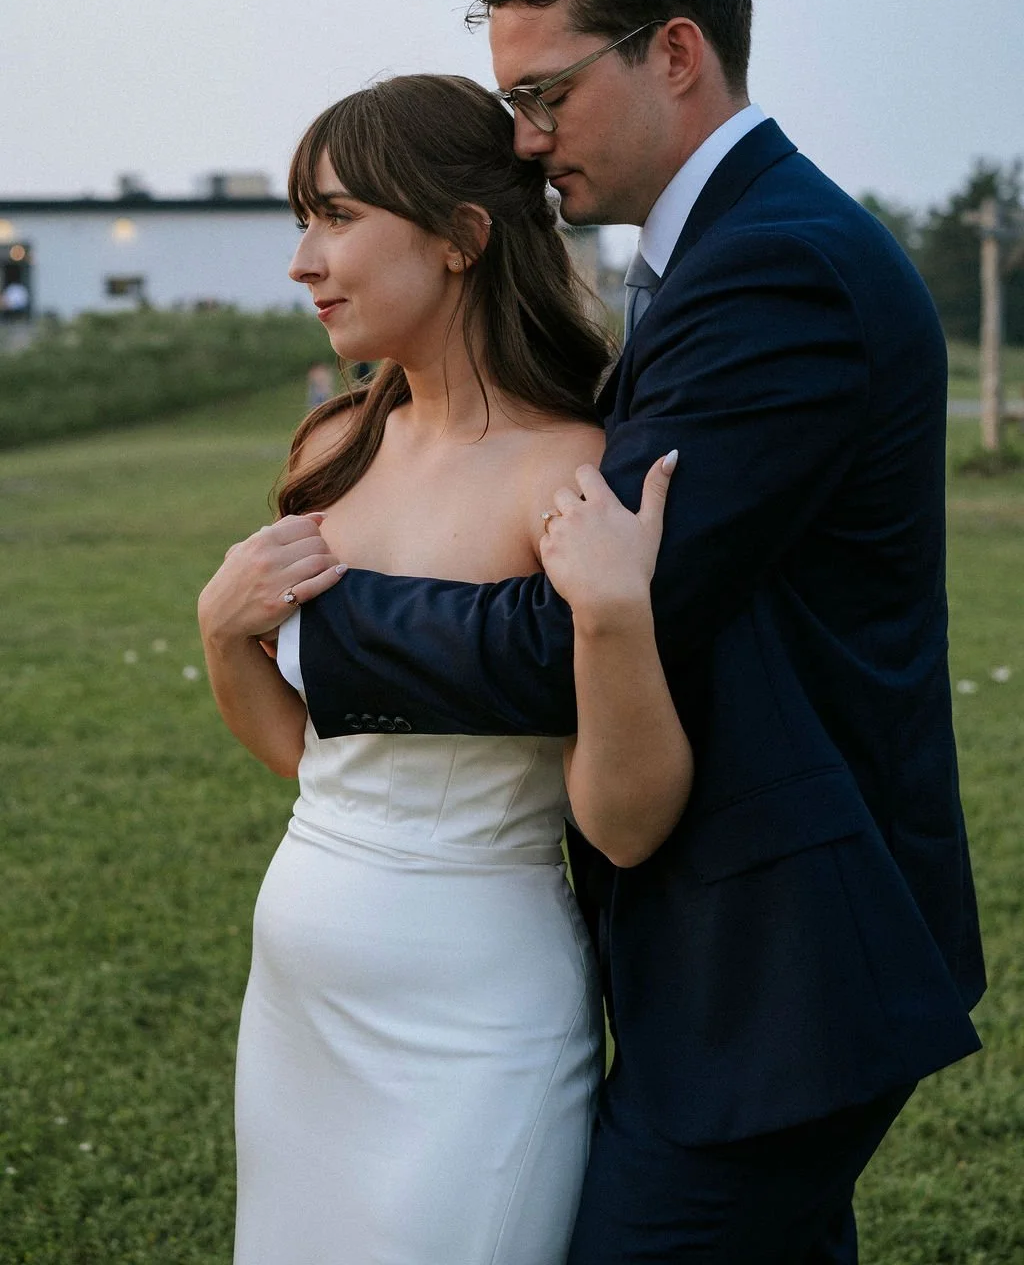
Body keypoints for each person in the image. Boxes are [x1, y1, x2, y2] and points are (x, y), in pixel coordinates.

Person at [290, 0, 986, 1263]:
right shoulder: (726, 251)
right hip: (743, 942)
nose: (525, 140)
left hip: (781, 960)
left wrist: (310, 624)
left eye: (545, 95)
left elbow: (576, 624)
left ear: (675, 52)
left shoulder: (775, 267)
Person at [198, 73, 695, 1264]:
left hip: (478, 1013)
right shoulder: (334, 443)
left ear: (462, 238)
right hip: (298, 993)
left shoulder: (569, 474)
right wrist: (223, 633)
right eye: (297, 222)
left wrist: (615, 617)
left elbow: (625, 830)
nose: (303, 262)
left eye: (335, 217)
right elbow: (308, 756)